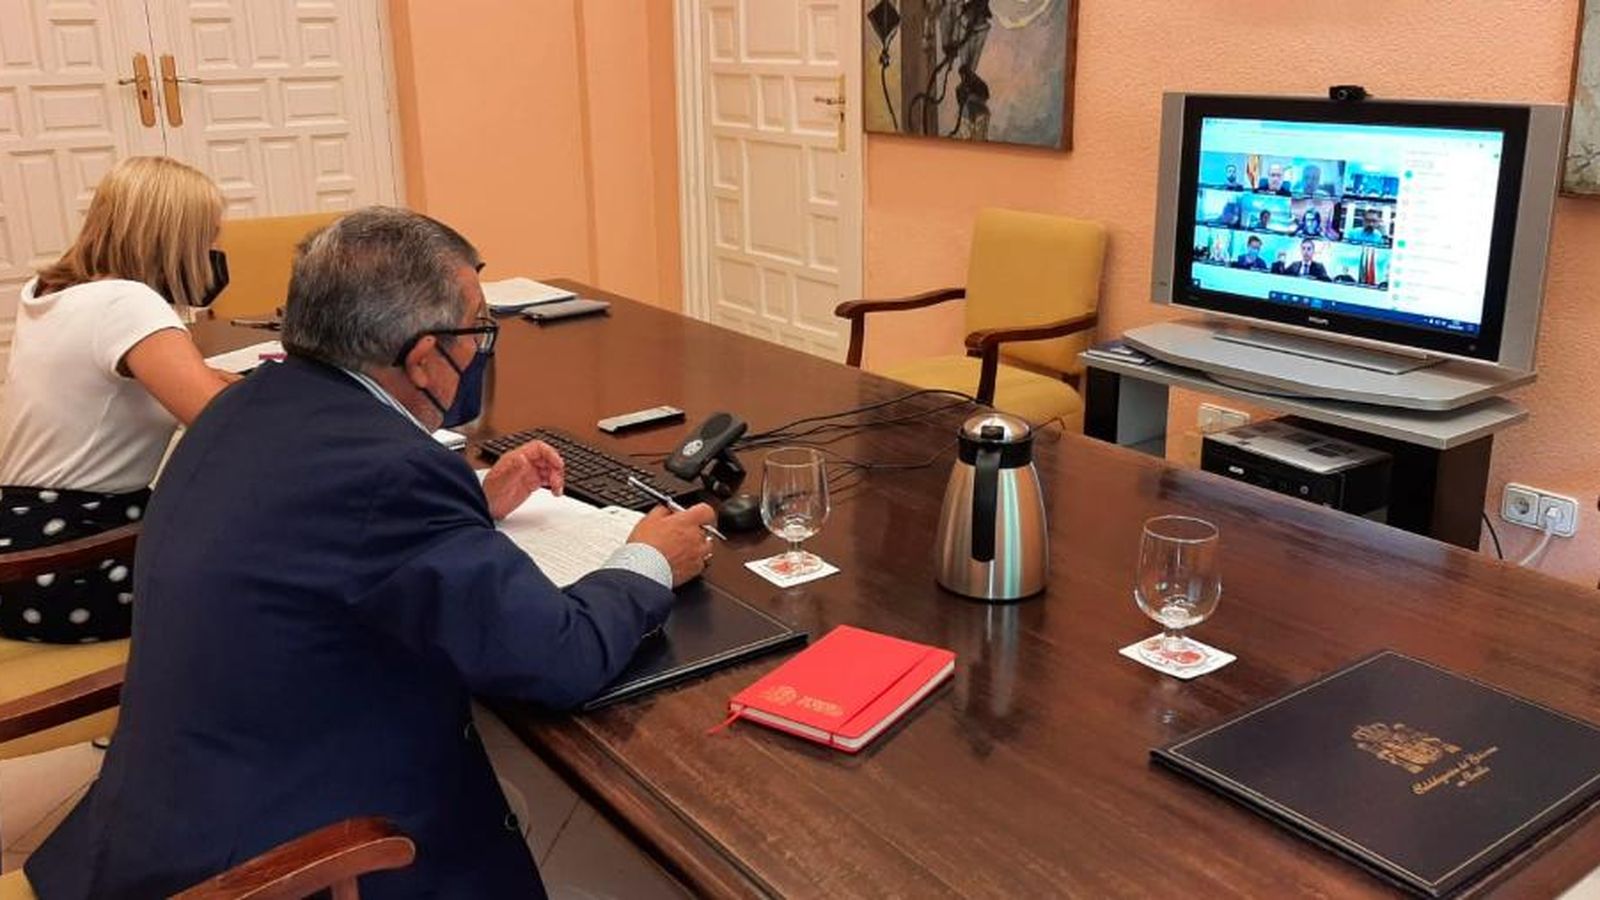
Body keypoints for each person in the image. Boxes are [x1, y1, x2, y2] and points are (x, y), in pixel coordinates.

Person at [26, 208, 718, 897]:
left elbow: (329, 529)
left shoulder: (247, 403)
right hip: (271, 860)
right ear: (424, 358)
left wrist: (475, 500)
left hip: (166, 814)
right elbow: (560, 658)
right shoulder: (391, 472)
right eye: (479, 331)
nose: (482, 350)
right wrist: (651, 556)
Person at [0, 156, 235, 643]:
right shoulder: (127, 303)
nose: (214, 252)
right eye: (208, 238)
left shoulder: (52, 293)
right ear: (174, 240)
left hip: (20, 551)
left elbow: (152, 381)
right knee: (274, 558)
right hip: (76, 560)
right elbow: (223, 422)